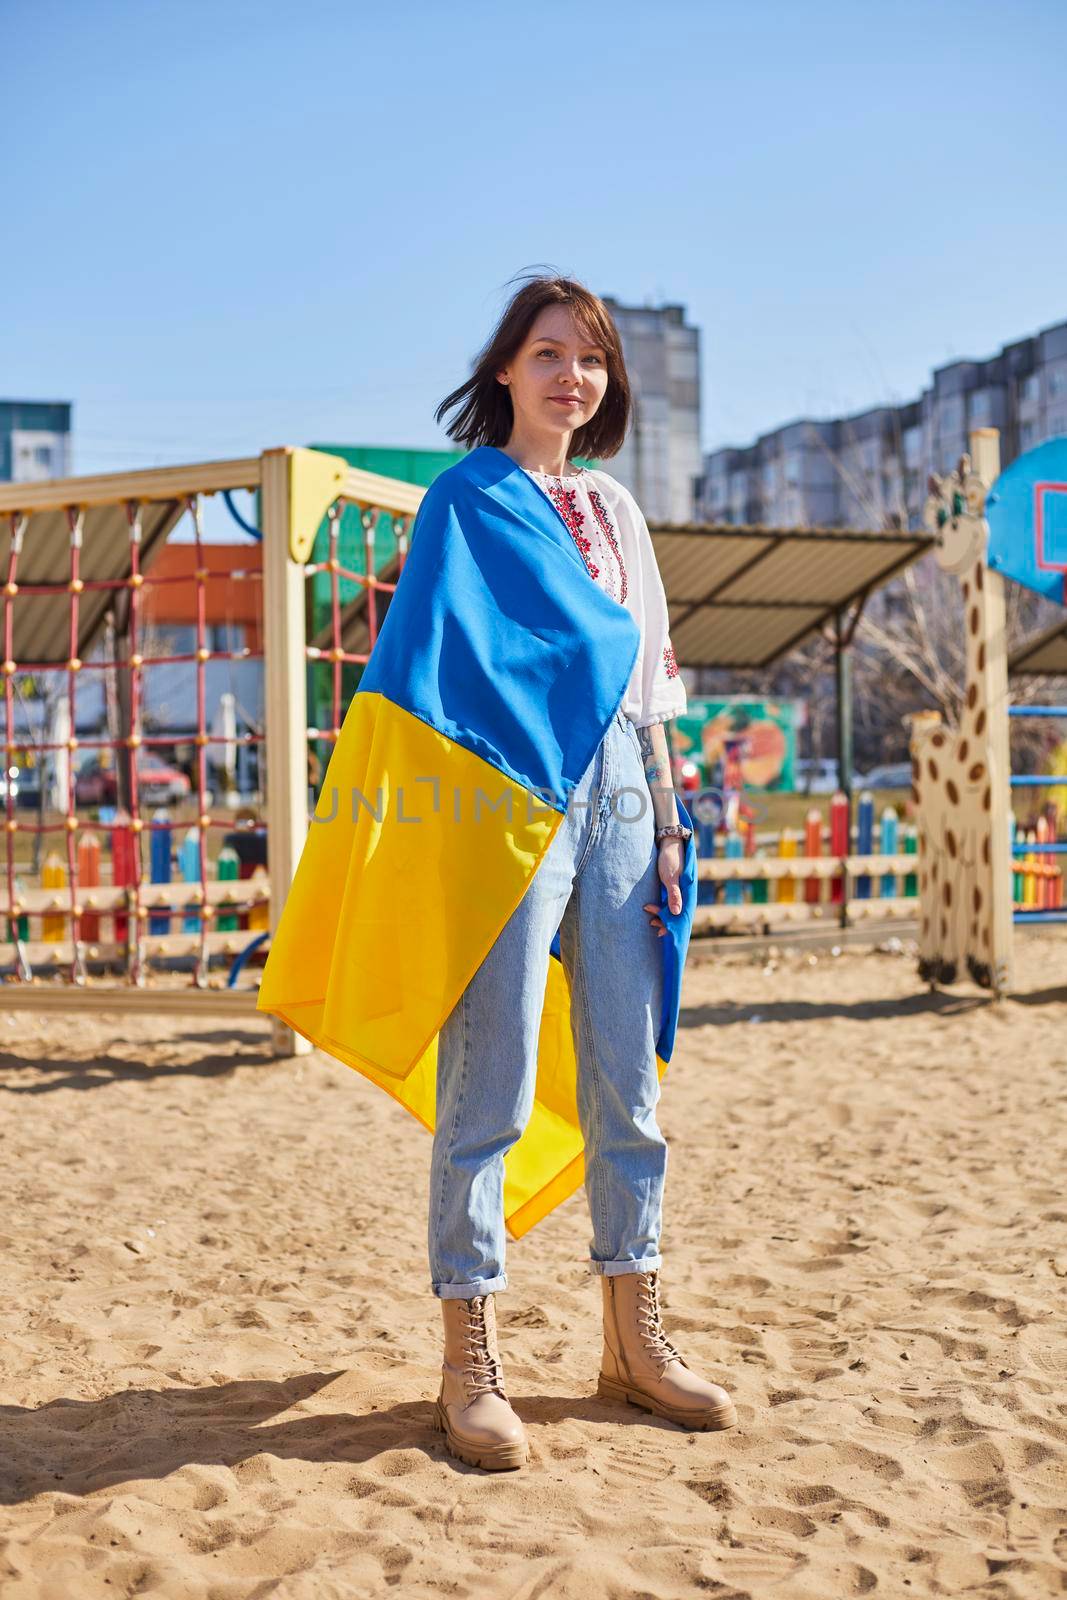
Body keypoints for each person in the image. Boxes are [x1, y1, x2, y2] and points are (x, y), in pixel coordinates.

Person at [426, 273, 737, 1471]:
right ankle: (468, 1358)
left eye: (591, 358)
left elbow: (650, 684)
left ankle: (631, 1341)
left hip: (616, 792)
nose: (571, 374)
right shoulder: (463, 501)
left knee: (629, 1079)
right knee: (489, 1083)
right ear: (504, 367)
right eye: (547, 352)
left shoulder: (616, 507)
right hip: (502, 800)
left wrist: (664, 823)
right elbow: (439, 676)